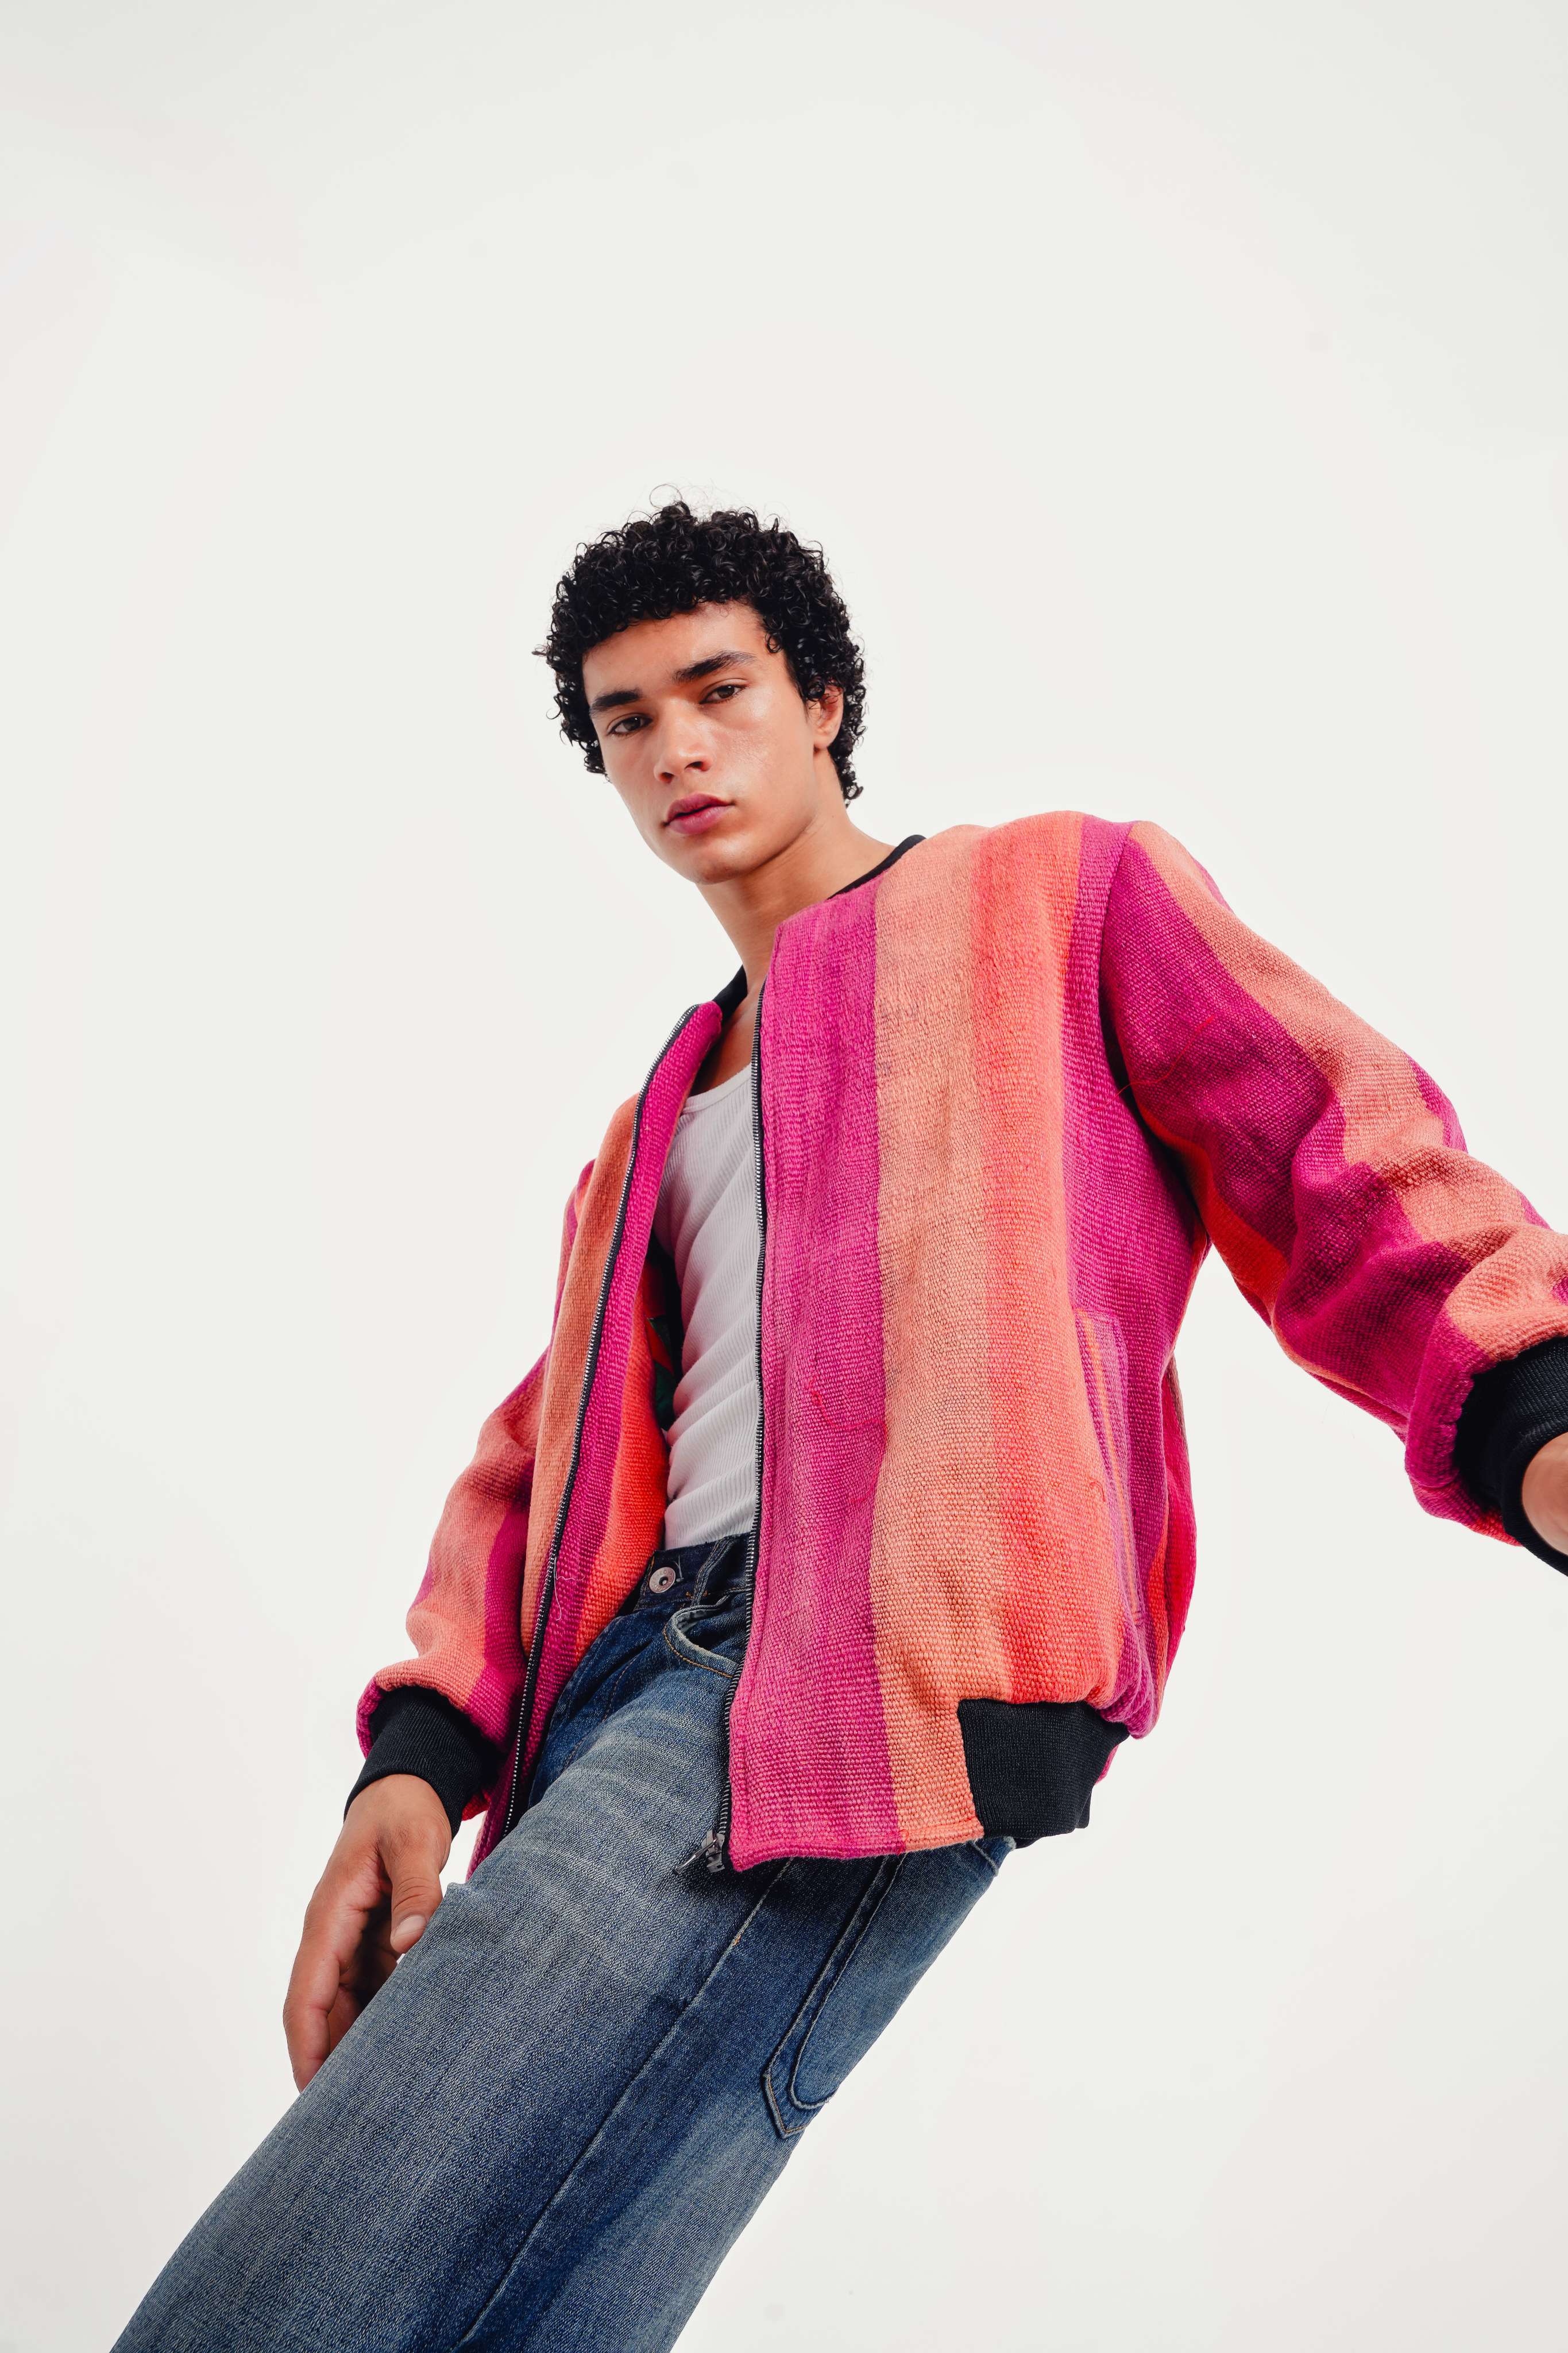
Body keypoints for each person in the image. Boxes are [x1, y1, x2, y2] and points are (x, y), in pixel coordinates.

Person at [114, 499, 1568, 2351]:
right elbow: (538, 1456)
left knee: (278, 2301)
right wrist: (415, 1760)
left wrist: (1536, 1411)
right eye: (626, 719)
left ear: (820, 700)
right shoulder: (648, 1121)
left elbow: (1334, 1149)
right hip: (621, 1691)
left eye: (716, 690)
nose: (674, 747)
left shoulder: (1054, 898)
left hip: (853, 1672)